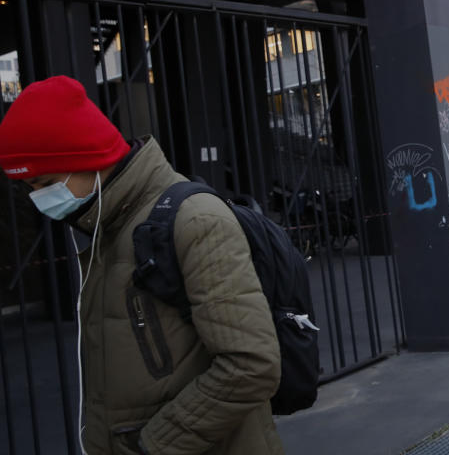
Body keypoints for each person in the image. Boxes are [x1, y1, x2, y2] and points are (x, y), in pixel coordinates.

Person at [0, 76, 283, 454]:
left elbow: (252, 365)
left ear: (88, 159)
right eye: (28, 187)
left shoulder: (194, 221)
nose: (39, 197)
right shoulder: (106, 223)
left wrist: (153, 446)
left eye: (46, 182)